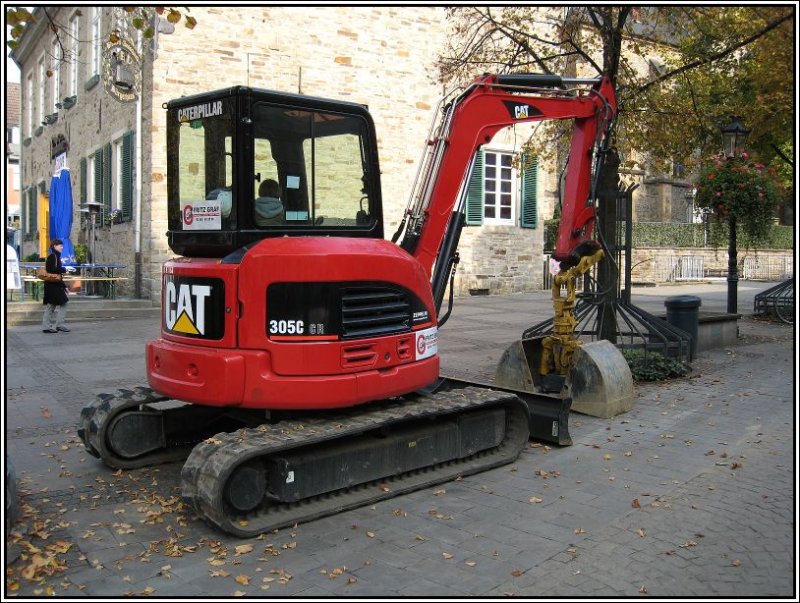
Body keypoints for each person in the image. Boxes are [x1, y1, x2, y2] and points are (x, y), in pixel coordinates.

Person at [41, 239, 74, 333]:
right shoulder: (52, 256)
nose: (62, 247)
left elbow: (57, 274)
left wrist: (64, 286)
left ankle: (51, 326)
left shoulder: (56, 256)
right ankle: (54, 325)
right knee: (56, 305)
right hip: (52, 286)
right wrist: (64, 269)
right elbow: (52, 270)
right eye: (60, 245)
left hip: (54, 285)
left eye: (62, 246)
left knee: (52, 305)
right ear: (55, 246)